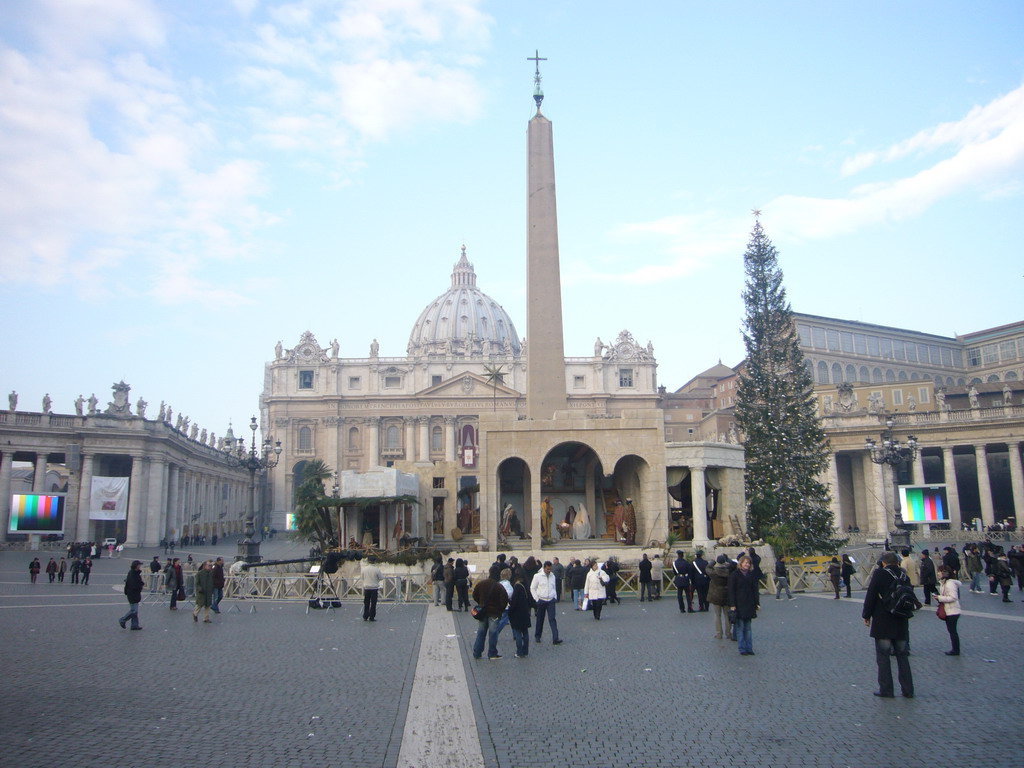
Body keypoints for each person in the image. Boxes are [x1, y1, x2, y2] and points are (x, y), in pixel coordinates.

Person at [862, 551, 915, 698]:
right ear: (897, 562)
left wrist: (866, 615)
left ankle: (886, 689)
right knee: (902, 656)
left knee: (883, 657)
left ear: (883, 562)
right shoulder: (904, 575)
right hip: (901, 619)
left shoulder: (880, 574)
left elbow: (871, 595)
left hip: (883, 620)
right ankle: (908, 689)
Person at [472, 571, 509, 660]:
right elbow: (504, 600)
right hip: (494, 613)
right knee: (493, 633)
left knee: (481, 632)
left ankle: (477, 652)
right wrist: (500, 609)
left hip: (483, 612)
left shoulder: (481, 584)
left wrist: (480, 603)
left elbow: (474, 595)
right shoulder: (499, 587)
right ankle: (492, 653)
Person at [728, 555, 760, 655]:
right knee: (740, 627)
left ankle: (749, 648)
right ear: (741, 563)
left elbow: (755, 590)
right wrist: (732, 604)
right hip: (738, 603)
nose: (747, 565)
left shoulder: (751, 574)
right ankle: (742, 648)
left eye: (748, 563)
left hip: (749, 602)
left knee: (748, 628)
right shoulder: (734, 574)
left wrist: (757, 603)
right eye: (745, 563)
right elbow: (731, 591)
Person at [530, 561, 562, 645]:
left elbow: (554, 587)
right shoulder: (537, 576)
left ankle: (555, 638)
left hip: (551, 600)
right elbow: (532, 588)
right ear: (544, 568)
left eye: (550, 569)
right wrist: (536, 599)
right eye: (548, 569)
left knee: (552, 619)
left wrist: (554, 596)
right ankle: (537, 636)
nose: (549, 571)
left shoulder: (552, 576)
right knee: (540, 619)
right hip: (541, 600)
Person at [936, 565, 962, 656]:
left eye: (939, 571)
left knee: (952, 631)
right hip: (950, 610)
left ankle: (956, 650)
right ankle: (955, 649)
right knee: (952, 631)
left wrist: (940, 598)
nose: (938, 573)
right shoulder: (944, 583)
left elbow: (953, 597)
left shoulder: (950, 584)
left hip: (952, 610)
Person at [507, 572, 534, 658]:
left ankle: (519, 652)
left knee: (518, 632)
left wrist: (509, 607)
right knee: (525, 632)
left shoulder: (517, 587)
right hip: (525, 612)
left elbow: (514, 601)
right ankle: (525, 650)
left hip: (517, 613)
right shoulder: (525, 586)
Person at [708, 555, 734, 640]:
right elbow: (734, 565)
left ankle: (719, 634)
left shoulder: (714, 572)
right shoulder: (729, 571)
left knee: (717, 615)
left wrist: (713, 561)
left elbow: (707, 568)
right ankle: (728, 633)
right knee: (727, 615)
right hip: (727, 594)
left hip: (716, 595)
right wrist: (728, 560)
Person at [118, 560, 145, 630]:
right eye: (139, 565)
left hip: (134, 594)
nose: (140, 566)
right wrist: (140, 585)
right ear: (136, 566)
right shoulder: (132, 574)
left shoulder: (134, 573)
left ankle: (134, 625)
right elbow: (134, 585)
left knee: (135, 610)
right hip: (133, 594)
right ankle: (123, 620)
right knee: (134, 611)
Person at [361, 556, 384, 621]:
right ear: (375, 561)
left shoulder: (364, 569)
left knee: (366, 603)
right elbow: (381, 577)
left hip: (366, 588)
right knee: (373, 603)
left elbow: (362, 577)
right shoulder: (376, 569)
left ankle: (365, 616)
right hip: (374, 588)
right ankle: (372, 617)